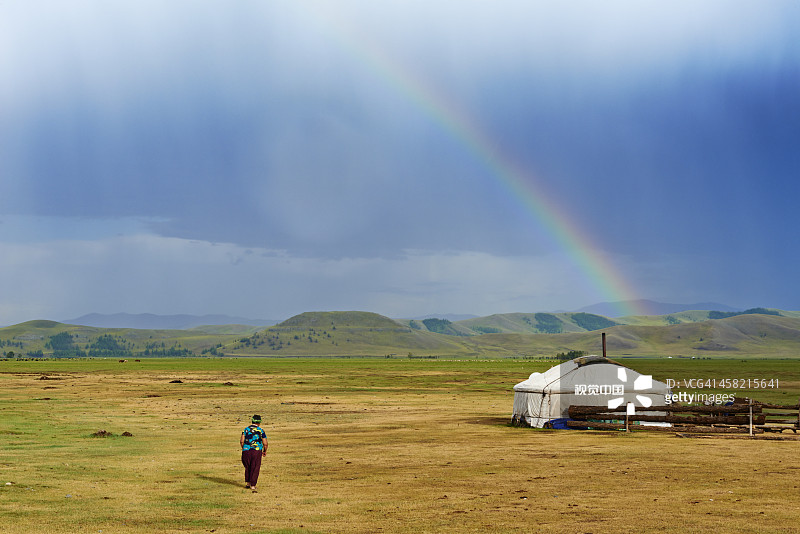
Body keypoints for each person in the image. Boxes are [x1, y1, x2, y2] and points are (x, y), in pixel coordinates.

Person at [240, 414, 268, 492]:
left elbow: (242, 441)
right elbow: (265, 443)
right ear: (259, 422)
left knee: (248, 466)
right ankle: (253, 485)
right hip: (256, 450)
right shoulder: (260, 430)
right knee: (255, 467)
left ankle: (248, 483)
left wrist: (244, 448)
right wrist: (264, 451)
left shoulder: (245, 430)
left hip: (246, 450)